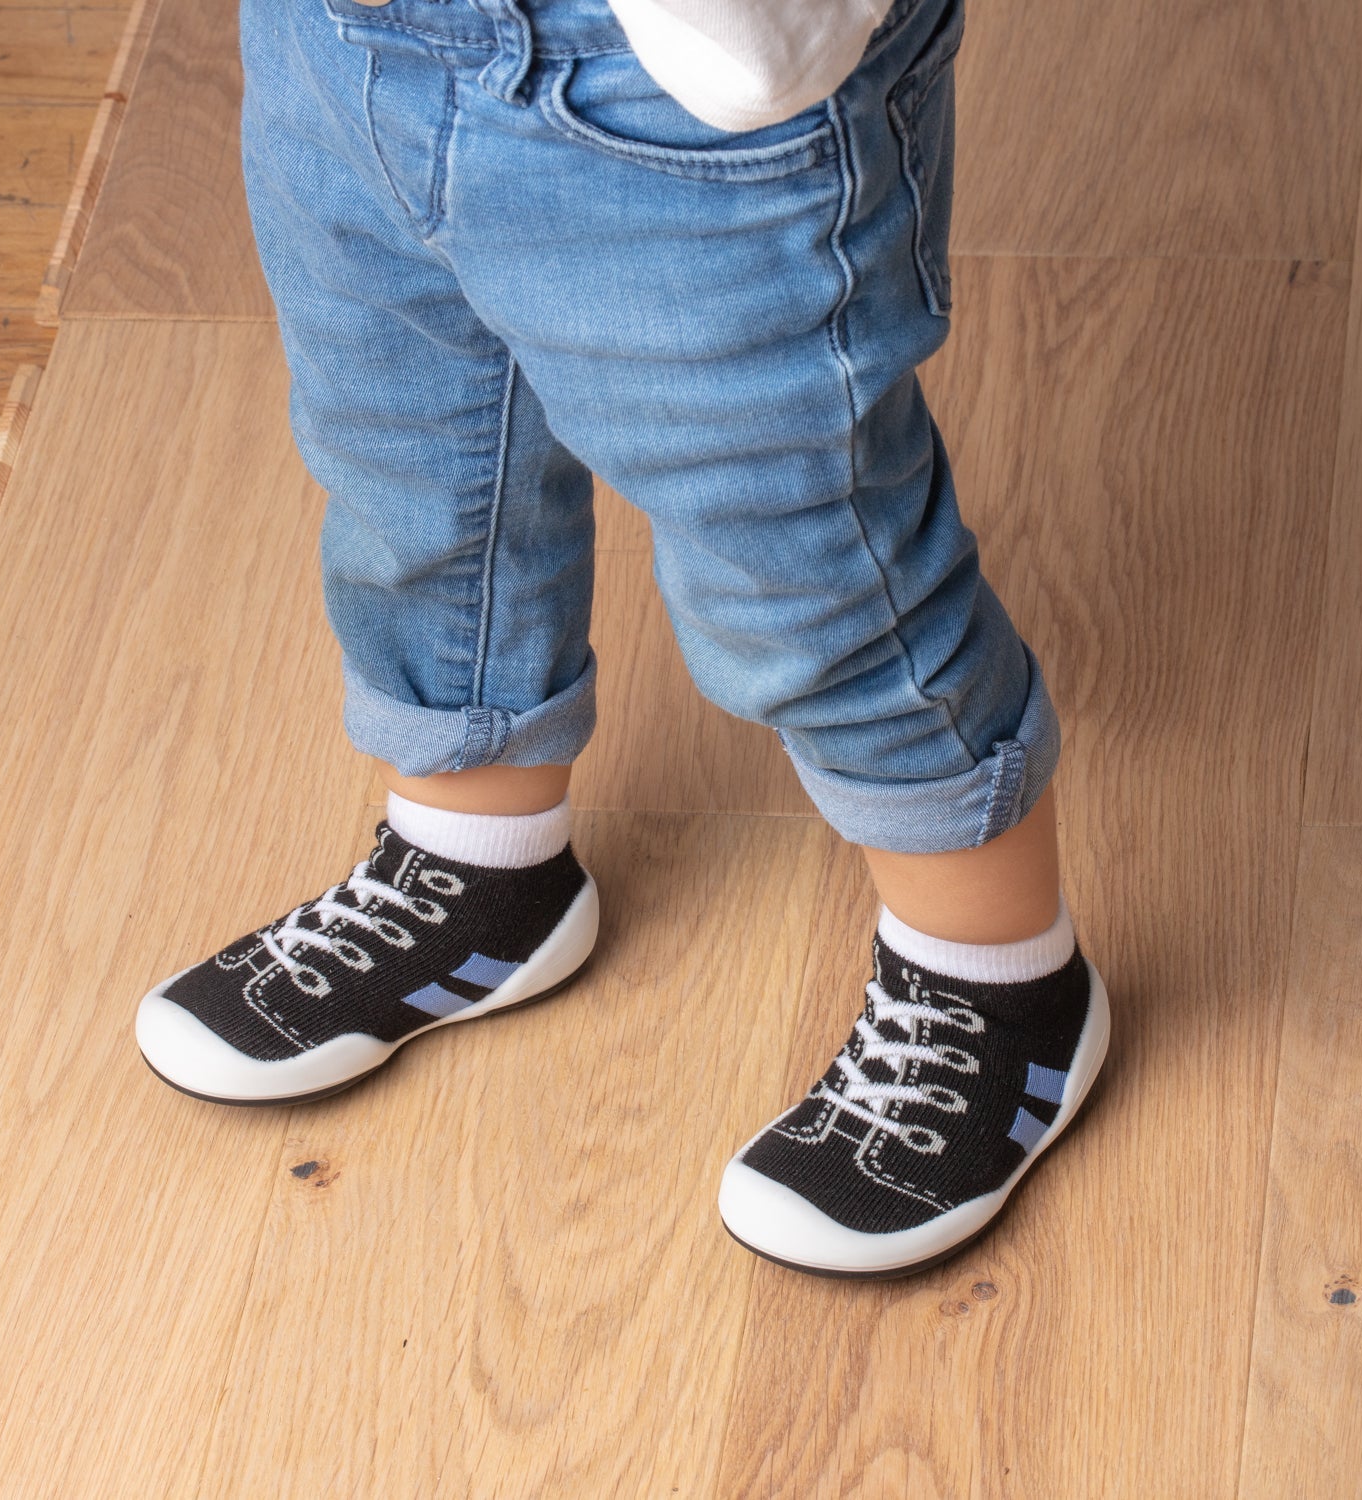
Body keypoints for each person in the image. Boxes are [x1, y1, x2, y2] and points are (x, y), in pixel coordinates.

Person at [133, 0, 1109, 1279]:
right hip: (345, 43)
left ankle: (995, 979)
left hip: (667, 94)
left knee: (804, 547)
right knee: (413, 462)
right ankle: (478, 859)